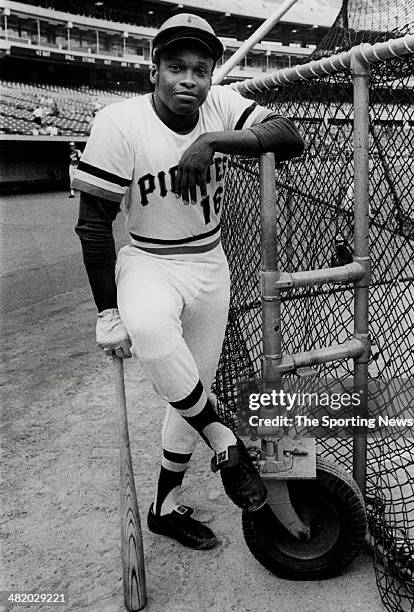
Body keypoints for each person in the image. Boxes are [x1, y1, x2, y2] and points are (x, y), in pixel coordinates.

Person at [73, 13, 304, 550]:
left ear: (211, 74)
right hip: (149, 260)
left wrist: (214, 141)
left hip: (209, 264)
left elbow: (287, 135)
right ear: (154, 69)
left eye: (201, 70)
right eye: (176, 67)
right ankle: (225, 441)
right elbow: (92, 222)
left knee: (189, 386)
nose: (188, 80)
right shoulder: (119, 121)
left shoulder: (219, 106)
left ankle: (165, 504)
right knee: (150, 329)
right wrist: (108, 310)